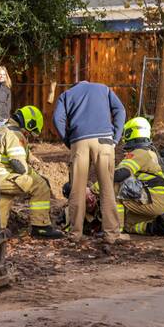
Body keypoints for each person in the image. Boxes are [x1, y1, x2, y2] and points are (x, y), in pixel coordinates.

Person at [53, 80, 127, 242]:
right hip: (104, 141)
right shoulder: (104, 89)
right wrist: (115, 137)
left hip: (79, 141)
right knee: (107, 188)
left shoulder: (66, 95)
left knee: (77, 190)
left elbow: (57, 119)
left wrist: (69, 141)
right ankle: (112, 234)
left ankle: (75, 234)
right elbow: (120, 110)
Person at [95, 116, 164, 238]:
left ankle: (114, 231)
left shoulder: (139, 152)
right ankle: (157, 227)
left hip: (152, 199)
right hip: (161, 201)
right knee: (128, 223)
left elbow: (121, 174)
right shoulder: (151, 152)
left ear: (131, 133)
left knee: (116, 188)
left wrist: (94, 189)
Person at [0, 105, 64, 239]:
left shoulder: (3, 129)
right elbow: (19, 166)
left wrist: (33, 159)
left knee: (3, 197)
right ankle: (40, 226)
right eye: (30, 132)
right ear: (29, 124)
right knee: (40, 185)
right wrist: (36, 175)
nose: (28, 136)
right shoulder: (15, 135)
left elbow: (16, 152)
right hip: (2, 176)